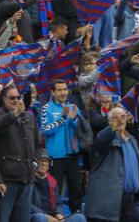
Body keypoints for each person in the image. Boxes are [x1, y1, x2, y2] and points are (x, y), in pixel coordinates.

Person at [0, 84, 39, 222]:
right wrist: (14, 114)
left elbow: (38, 145)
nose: (16, 100)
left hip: (27, 178)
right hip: (7, 180)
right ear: (4, 98)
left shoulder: (29, 118)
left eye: (18, 97)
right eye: (12, 98)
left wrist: (35, 162)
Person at [84, 106, 139, 222]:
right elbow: (101, 140)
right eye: (115, 118)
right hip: (109, 201)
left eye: (122, 117)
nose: (120, 120)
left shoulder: (132, 140)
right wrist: (113, 127)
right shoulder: (105, 138)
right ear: (109, 121)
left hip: (130, 199)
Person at [39, 80, 89, 213]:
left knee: (76, 190)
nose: (63, 93)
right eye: (59, 90)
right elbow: (45, 130)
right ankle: (54, 216)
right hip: (55, 156)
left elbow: (79, 129)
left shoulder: (74, 107)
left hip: (73, 155)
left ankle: (76, 215)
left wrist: (72, 119)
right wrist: (62, 118)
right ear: (53, 92)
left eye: (65, 89)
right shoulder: (46, 108)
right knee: (55, 189)